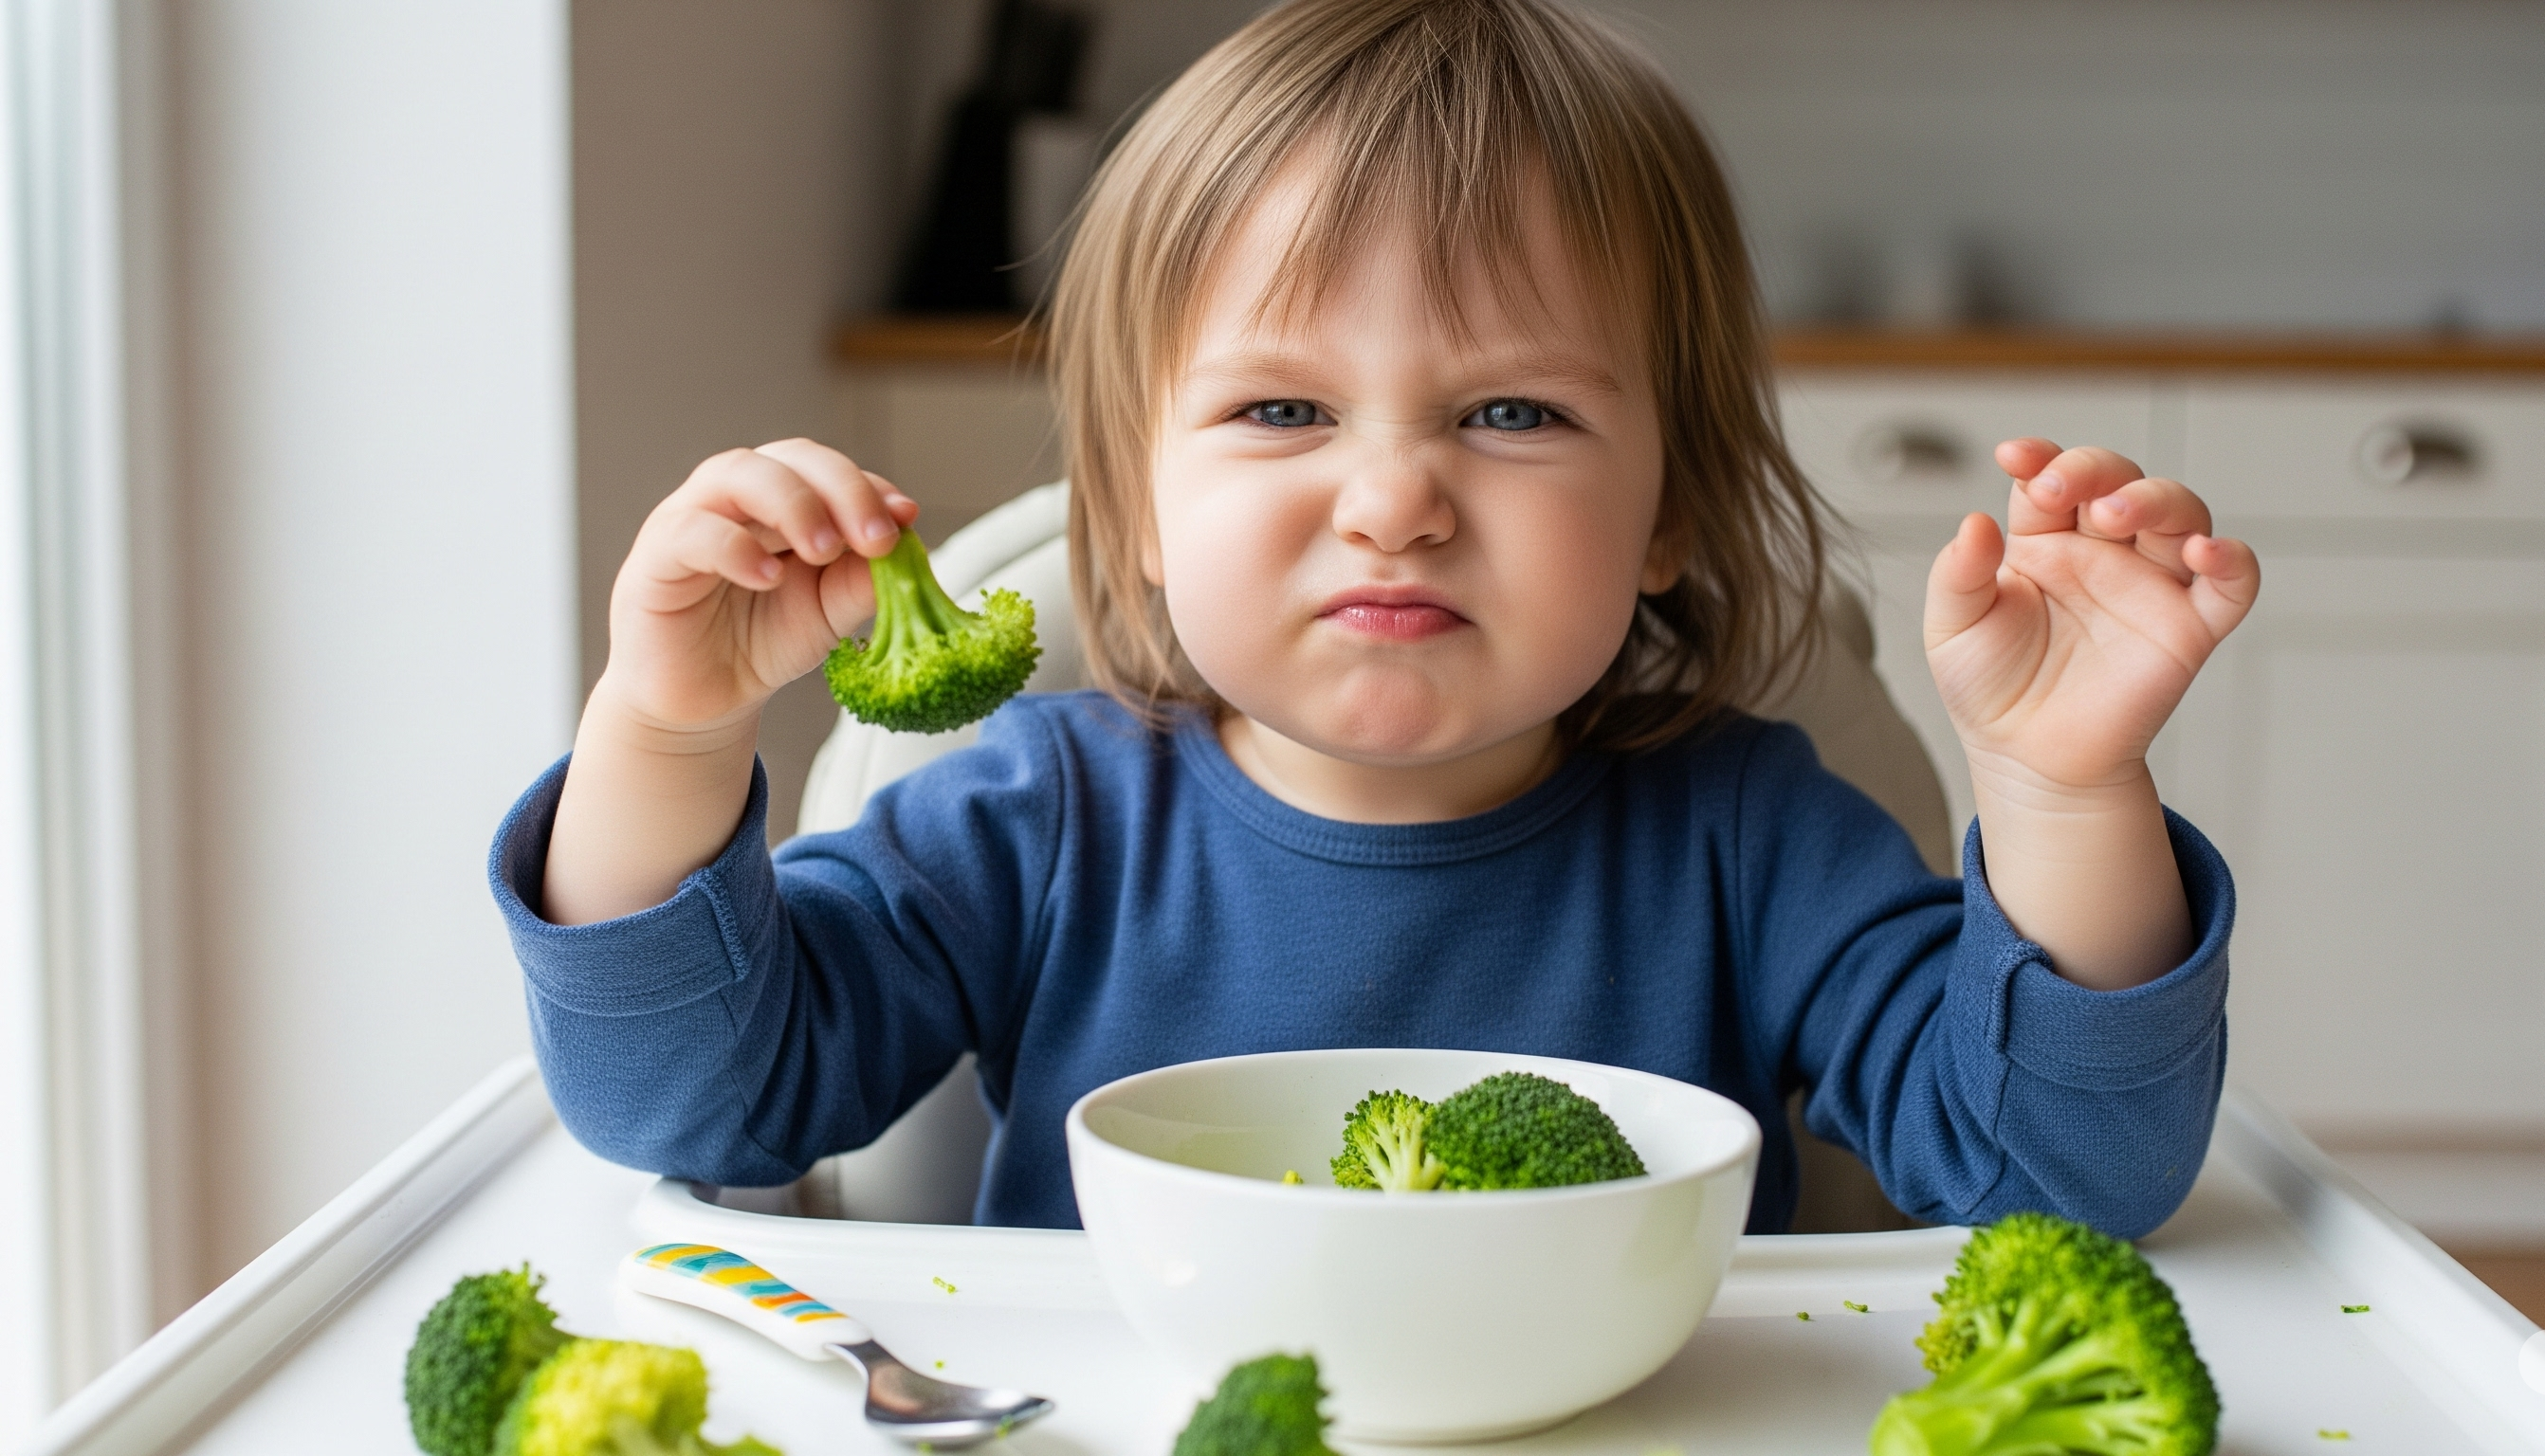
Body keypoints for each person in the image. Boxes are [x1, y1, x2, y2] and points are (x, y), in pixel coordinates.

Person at [492, 0, 2259, 1237]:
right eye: (1282, 410)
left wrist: (2062, 790)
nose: (1394, 500)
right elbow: (688, 1107)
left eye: (1514, 412)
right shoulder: (1033, 820)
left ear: (1672, 514)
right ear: (1138, 509)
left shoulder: (1753, 837)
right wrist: (665, 733)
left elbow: (2063, 1183)